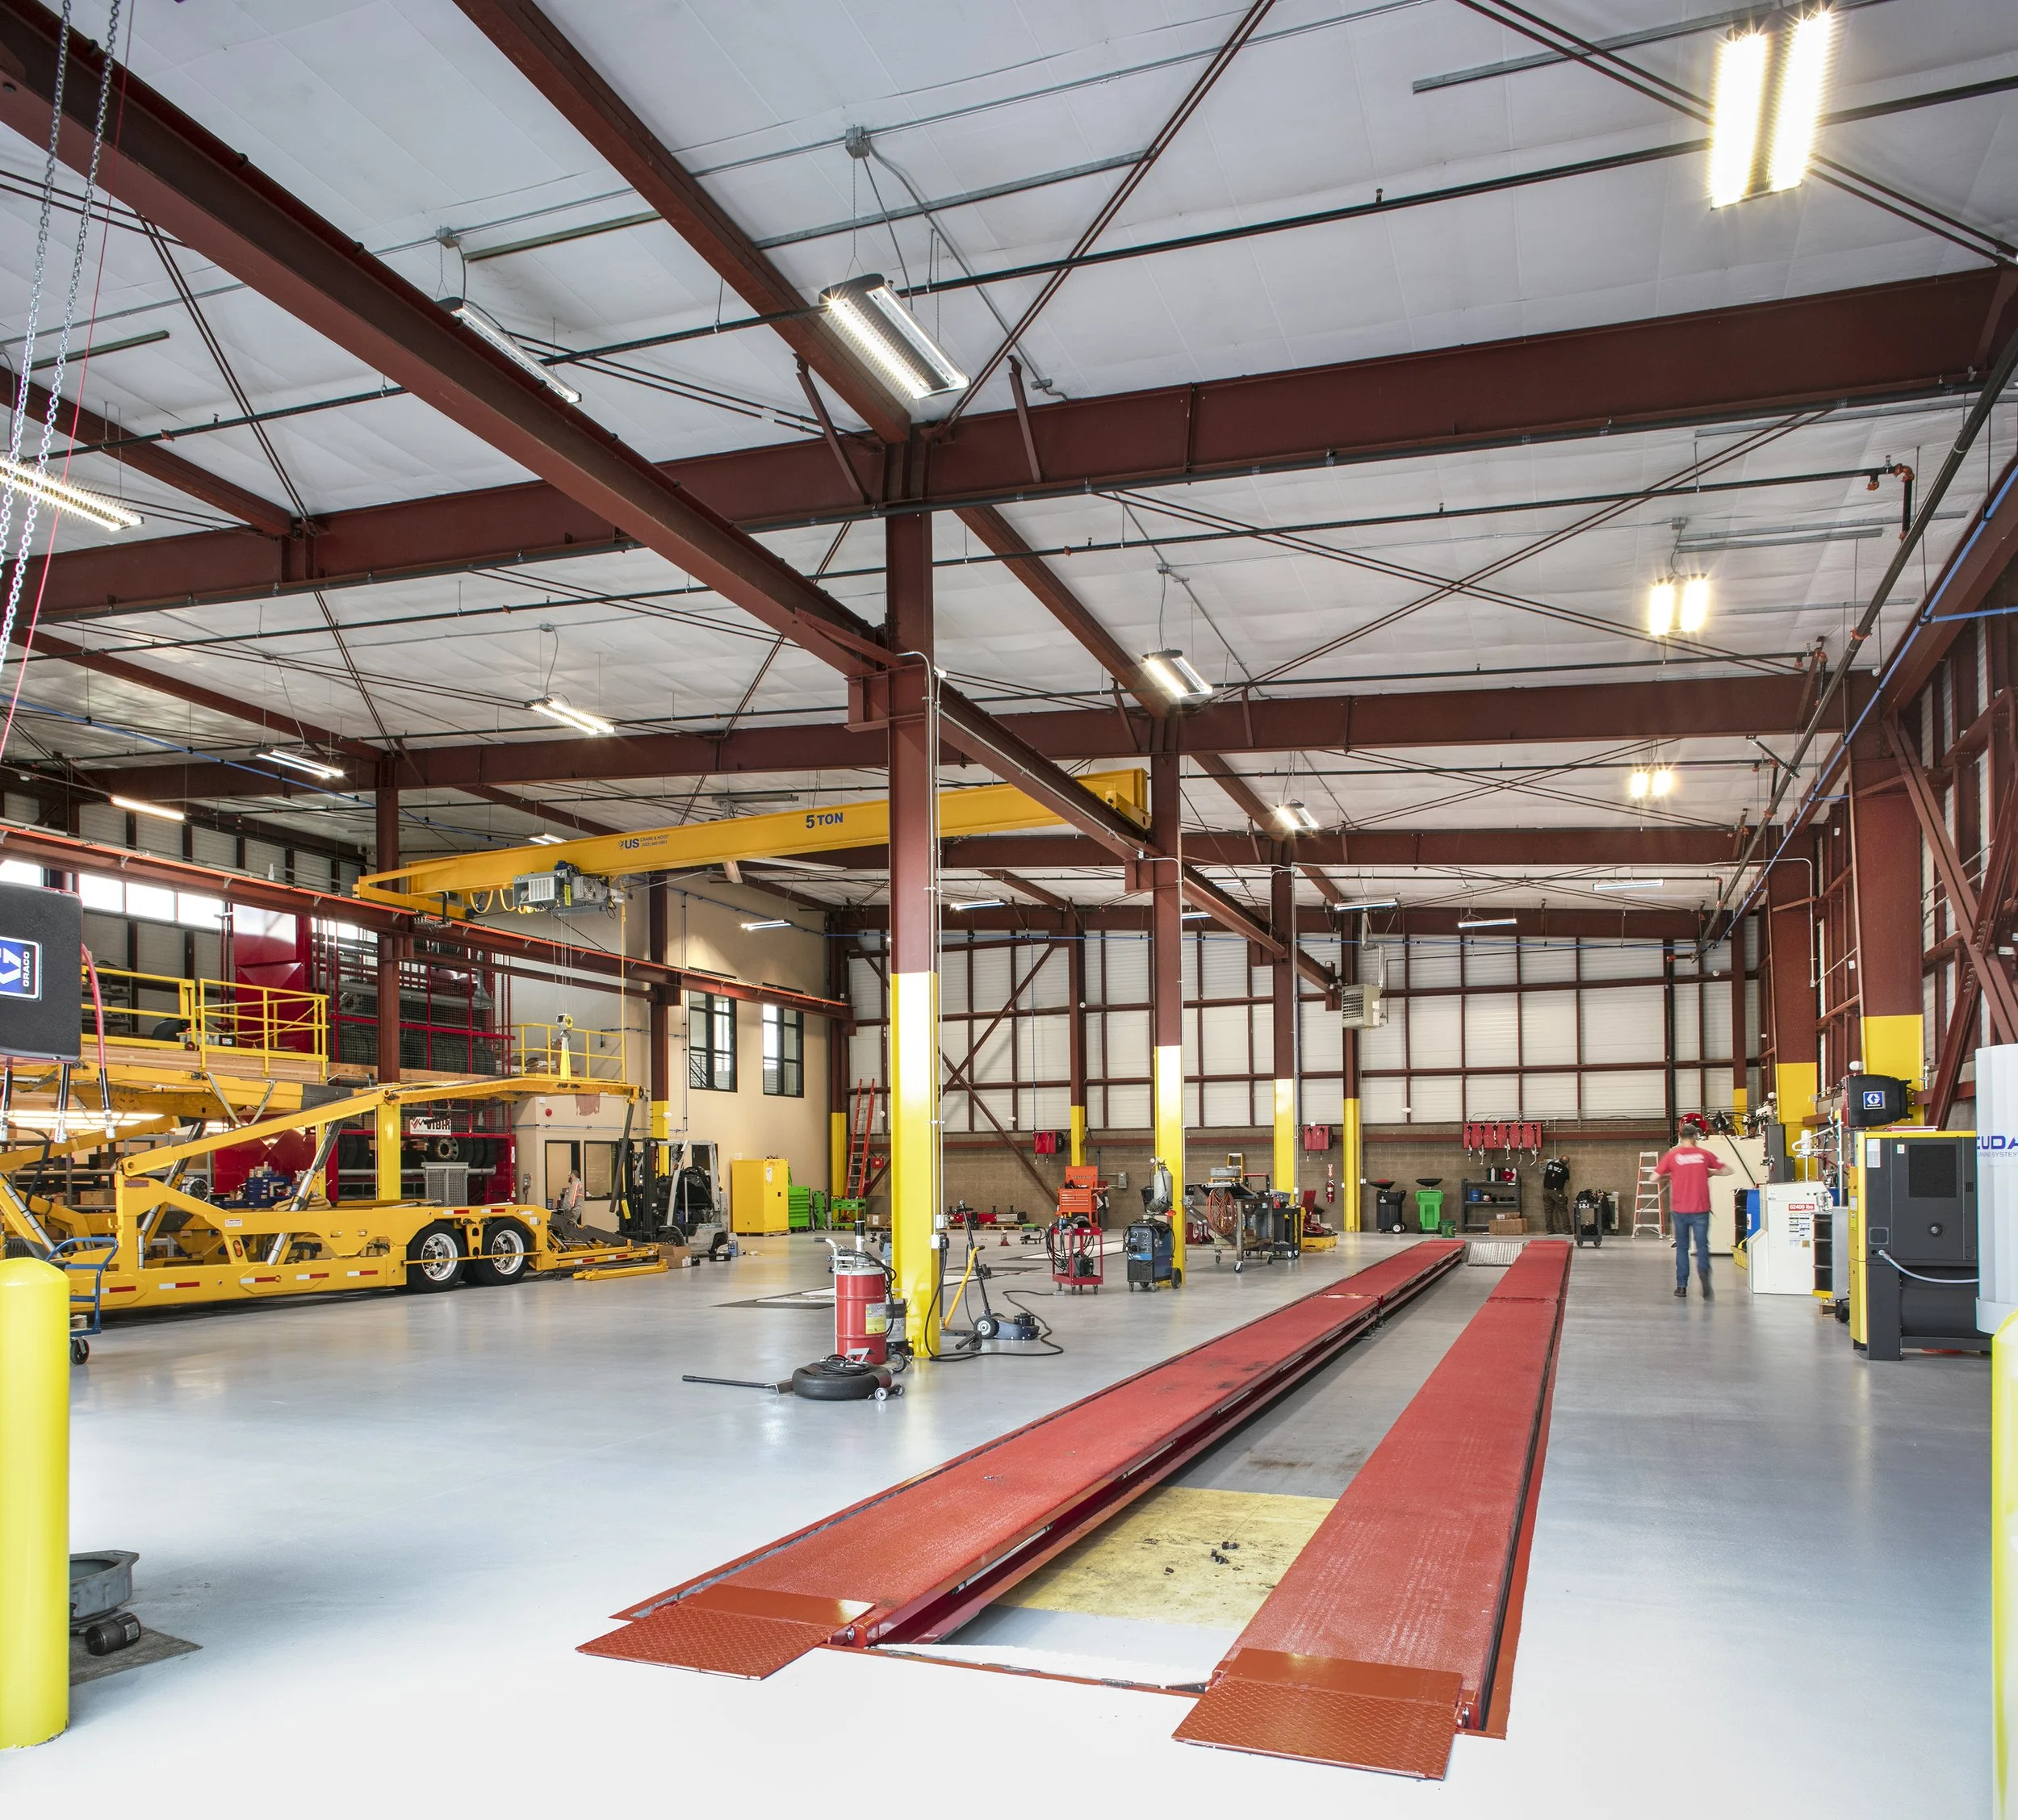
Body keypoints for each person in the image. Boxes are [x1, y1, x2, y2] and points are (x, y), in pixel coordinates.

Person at [1656, 1115, 1731, 1299]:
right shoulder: (1704, 1154)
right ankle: (1704, 1276)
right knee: (1702, 1246)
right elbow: (1728, 1170)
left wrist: (1671, 1175)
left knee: (1682, 1248)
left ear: (1680, 1136)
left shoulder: (1673, 1155)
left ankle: (1682, 1286)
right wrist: (1710, 1172)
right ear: (1696, 1136)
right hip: (1701, 1209)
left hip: (1680, 1209)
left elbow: (1653, 1177)